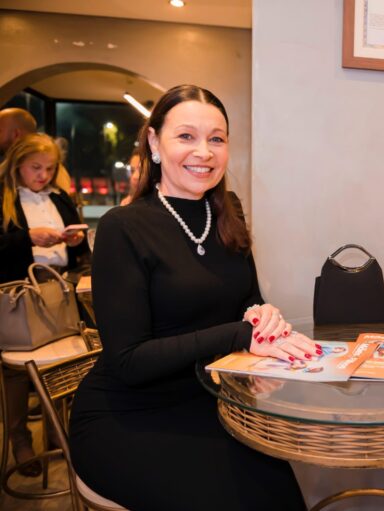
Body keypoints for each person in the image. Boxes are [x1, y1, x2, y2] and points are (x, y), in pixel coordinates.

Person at [68, 84, 317, 510]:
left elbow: (247, 301)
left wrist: (262, 317)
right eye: (186, 136)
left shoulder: (227, 210)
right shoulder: (121, 227)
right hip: (128, 415)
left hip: (211, 398)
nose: (204, 152)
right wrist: (239, 335)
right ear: (154, 143)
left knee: (281, 495)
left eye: (216, 139)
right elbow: (129, 361)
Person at [0, 132, 90, 476]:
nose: (44, 175)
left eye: (50, 168)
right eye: (35, 167)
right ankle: (20, 440)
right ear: (17, 165)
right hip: (17, 293)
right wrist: (27, 237)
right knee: (17, 372)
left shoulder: (59, 196)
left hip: (57, 289)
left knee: (59, 364)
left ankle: (55, 430)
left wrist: (76, 241)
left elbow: (78, 252)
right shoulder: (4, 197)